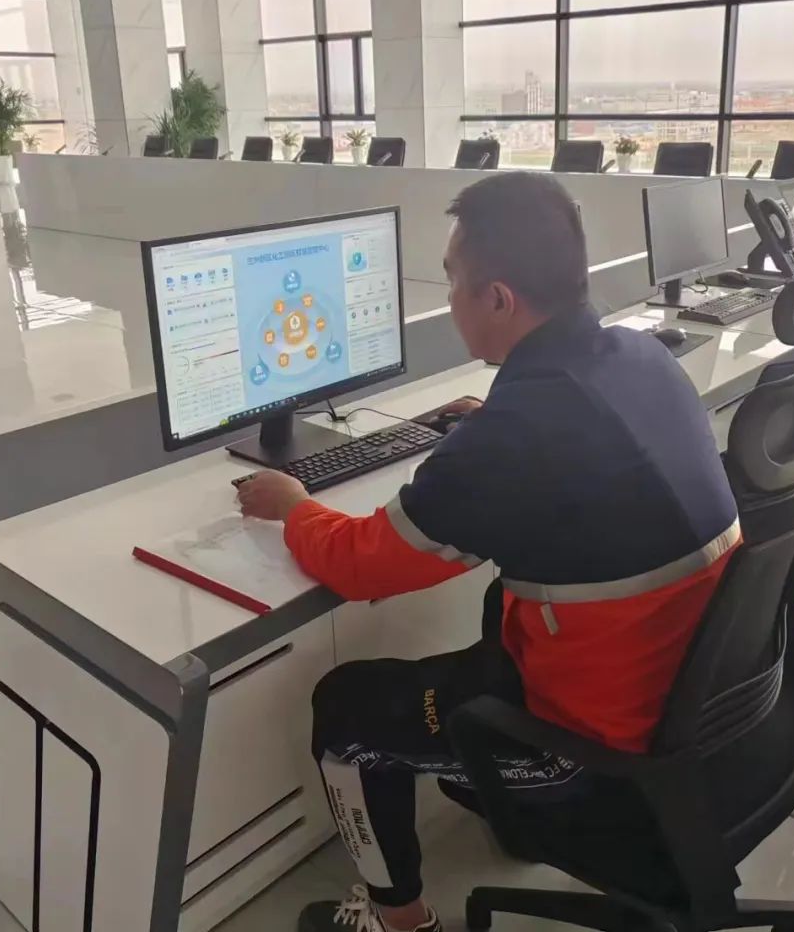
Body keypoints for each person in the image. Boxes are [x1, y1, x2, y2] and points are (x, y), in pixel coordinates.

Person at [235, 172, 741, 932]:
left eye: (452, 282)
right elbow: (570, 452)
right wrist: (490, 424)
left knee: (344, 708)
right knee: (494, 606)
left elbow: (360, 564)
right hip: (689, 688)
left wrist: (294, 504)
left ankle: (399, 922)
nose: (448, 300)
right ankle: (508, 810)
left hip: (592, 736)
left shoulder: (518, 434)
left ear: (499, 300)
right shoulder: (638, 357)